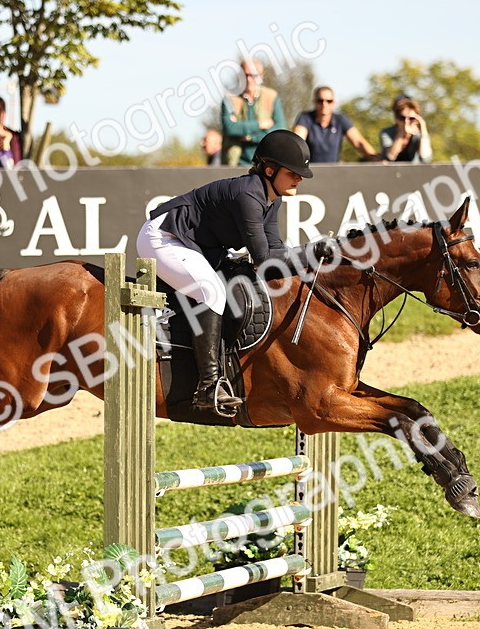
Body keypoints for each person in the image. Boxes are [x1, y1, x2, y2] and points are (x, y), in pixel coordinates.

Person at [136, 130, 330, 413]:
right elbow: (264, 259)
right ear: (269, 169)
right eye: (293, 172)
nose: (299, 178)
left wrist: (305, 259)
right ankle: (208, 387)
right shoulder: (247, 195)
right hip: (163, 237)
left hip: (195, 244)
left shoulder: (270, 198)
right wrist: (309, 252)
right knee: (211, 291)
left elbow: (274, 250)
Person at [220, 59, 285, 166]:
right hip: (236, 163)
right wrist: (260, 124)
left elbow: (280, 129)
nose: (249, 79)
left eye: (253, 76)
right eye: (245, 75)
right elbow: (229, 127)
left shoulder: (271, 96)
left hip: (265, 164)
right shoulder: (229, 98)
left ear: (261, 76)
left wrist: (252, 137)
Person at [292, 85, 378, 163]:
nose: (324, 104)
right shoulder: (305, 118)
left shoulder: (340, 119)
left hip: (333, 172)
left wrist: (375, 159)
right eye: (320, 101)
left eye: (329, 101)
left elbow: (359, 142)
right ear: (314, 102)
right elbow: (298, 142)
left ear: (333, 103)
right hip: (309, 172)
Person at [379, 95, 432, 163]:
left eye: (411, 118)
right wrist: (401, 134)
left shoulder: (418, 135)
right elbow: (390, 156)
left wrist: (423, 129)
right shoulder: (387, 133)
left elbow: (426, 159)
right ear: (396, 118)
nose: (407, 122)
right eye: (403, 118)